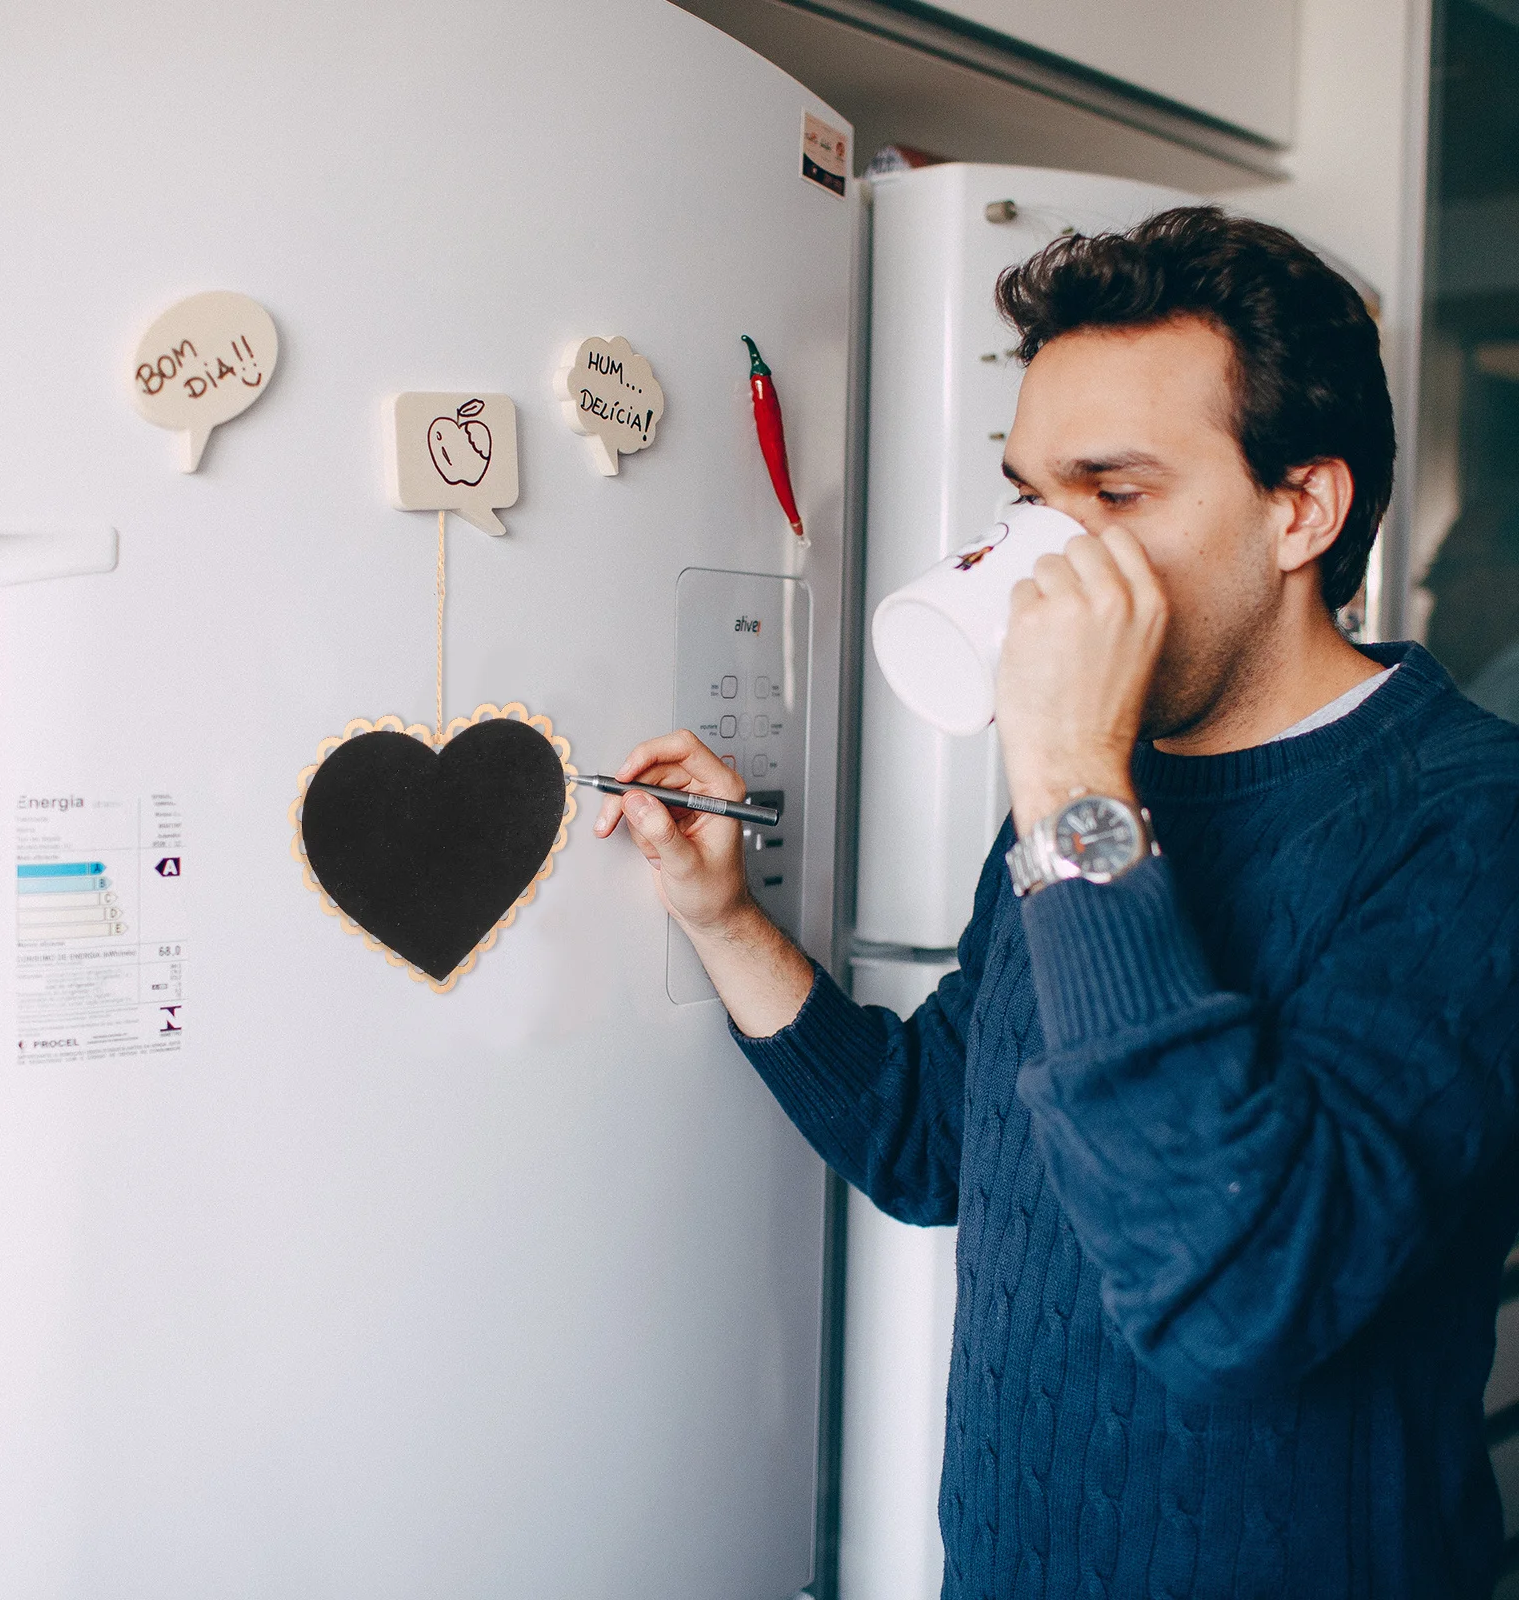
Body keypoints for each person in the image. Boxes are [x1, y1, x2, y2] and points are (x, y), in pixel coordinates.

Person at [592, 207, 1519, 1598]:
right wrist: (725, 919)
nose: (1049, 553)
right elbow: (934, 1140)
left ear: (1301, 509)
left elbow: (1241, 1300)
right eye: (1033, 496)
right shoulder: (1097, 792)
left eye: (1116, 493)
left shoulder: (1467, 821)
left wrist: (1074, 780)